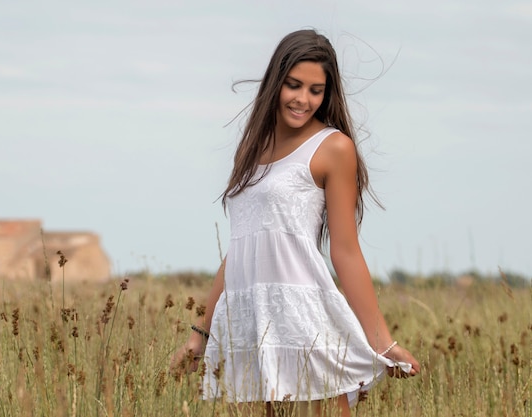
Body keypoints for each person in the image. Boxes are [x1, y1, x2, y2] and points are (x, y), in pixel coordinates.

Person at [171, 29, 420, 417]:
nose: (303, 99)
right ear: (276, 82)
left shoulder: (333, 148)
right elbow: (240, 247)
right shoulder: (252, 149)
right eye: (294, 85)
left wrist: (382, 342)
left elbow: (346, 250)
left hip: (303, 319)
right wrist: (199, 335)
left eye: (316, 90)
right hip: (252, 322)